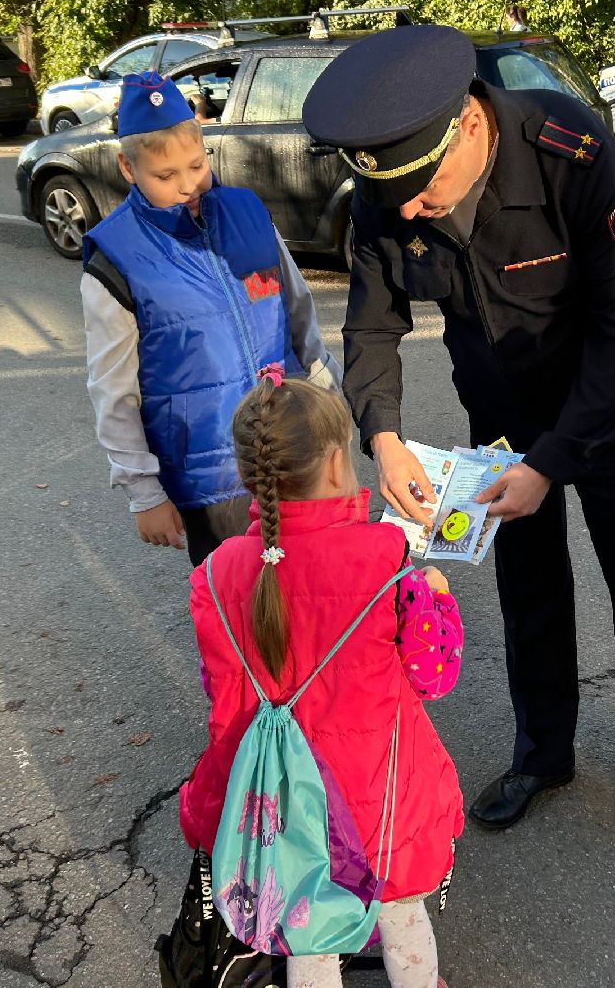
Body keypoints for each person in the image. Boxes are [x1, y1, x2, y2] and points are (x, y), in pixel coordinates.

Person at [302, 24, 615, 840]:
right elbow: (371, 329)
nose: (408, 208)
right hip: (505, 416)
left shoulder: (571, 149)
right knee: (530, 588)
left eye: (422, 187)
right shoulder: (391, 187)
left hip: (613, 405)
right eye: (395, 195)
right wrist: (384, 438)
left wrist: (553, 464)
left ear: (472, 126)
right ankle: (543, 754)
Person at [180, 371, 464, 988]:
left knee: (302, 921)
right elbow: (433, 675)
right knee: (400, 909)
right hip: (380, 792)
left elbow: (222, 696)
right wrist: (438, 600)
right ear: (338, 463)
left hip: (281, 803)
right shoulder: (385, 558)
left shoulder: (217, 572)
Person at [81, 71, 339, 567]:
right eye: (165, 176)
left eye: (196, 166)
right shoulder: (116, 258)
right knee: (238, 605)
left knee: (316, 587)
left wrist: (328, 394)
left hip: (292, 444)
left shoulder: (248, 212)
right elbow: (113, 389)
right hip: (212, 480)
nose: (187, 186)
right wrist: (144, 492)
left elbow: (298, 310)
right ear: (127, 168)